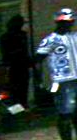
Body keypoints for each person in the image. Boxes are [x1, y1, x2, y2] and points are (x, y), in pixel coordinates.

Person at [36, 8, 77, 140]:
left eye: (70, 21)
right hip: (63, 80)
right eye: (64, 21)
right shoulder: (50, 40)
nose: (68, 24)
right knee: (66, 112)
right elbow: (38, 59)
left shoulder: (75, 37)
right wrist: (40, 80)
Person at [0, 14, 31, 108]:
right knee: (18, 87)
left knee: (19, 87)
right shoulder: (12, 36)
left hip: (18, 65)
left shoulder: (18, 35)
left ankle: (20, 105)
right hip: (16, 65)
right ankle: (20, 106)